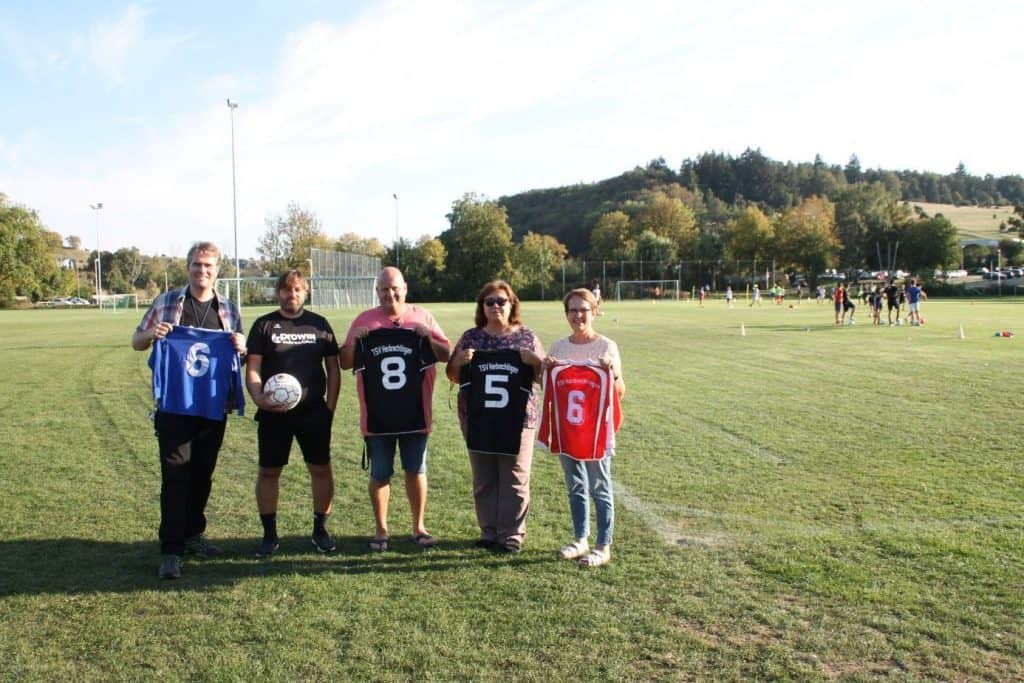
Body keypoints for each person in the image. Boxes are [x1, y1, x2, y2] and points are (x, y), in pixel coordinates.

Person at [131, 241, 247, 579]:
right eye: (197, 265)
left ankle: (194, 534)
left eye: (209, 266)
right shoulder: (167, 302)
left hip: (212, 405)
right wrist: (153, 333)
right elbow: (136, 341)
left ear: (217, 270)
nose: (202, 271)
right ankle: (171, 549)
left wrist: (241, 346)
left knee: (202, 474)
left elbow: (238, 357)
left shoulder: (228, 308)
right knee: (175, 475)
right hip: (175, 405)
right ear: (188, 267)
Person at [339, 267, 451, 551]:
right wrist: (356, 340)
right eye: (384, 289)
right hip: (378, 415)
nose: (390, 294)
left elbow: (446, 354)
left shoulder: (422, 317)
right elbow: (345, 361)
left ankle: (419, 526)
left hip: (416, 412)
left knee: (416, 469)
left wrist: (427, 337)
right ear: (377, 292)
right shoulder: (365, 320)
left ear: (405, 287)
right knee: (380, 473)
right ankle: (381, 530)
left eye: (394, 288)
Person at [245, 270, 340, 557]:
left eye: (297, 289)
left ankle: (320, 529)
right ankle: (269, 534)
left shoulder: (319, 325)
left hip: (313, 412)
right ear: (278, 293)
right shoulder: (264, 325)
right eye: (286, 290)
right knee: (269, 471)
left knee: (320, 468)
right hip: (274, 413)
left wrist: (330, 408)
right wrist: (259, 398)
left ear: (306, 292)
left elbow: (333, 369)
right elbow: (252, 367)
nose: (292, 294)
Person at [446, 281, 544, 553]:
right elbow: (452, 375)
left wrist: (534, 361)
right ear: (482, 307)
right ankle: (488, 532)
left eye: (501, 301)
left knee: (515, 476)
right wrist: (459, 362)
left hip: (518, 417)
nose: (495, 306)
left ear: (512, 304)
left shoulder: (526, 337)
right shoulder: (471, 338)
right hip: (477, 417)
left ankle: (512, 534)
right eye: (489, 302)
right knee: (484, 477)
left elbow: (542, 377)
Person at [544, 288, 625, 568]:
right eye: (572, 310)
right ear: (566, 313)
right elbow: (550, 389)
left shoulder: (606, 346)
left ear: (594, 312)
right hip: (568, 428)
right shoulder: (558, 347)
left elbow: (620, 391)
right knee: (575, 485)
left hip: (596, 432)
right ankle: (581, 539)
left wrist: (612, 372)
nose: (578, 315)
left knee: (600, 486)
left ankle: (604, 545)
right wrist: (546, 368)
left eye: (583, 310)